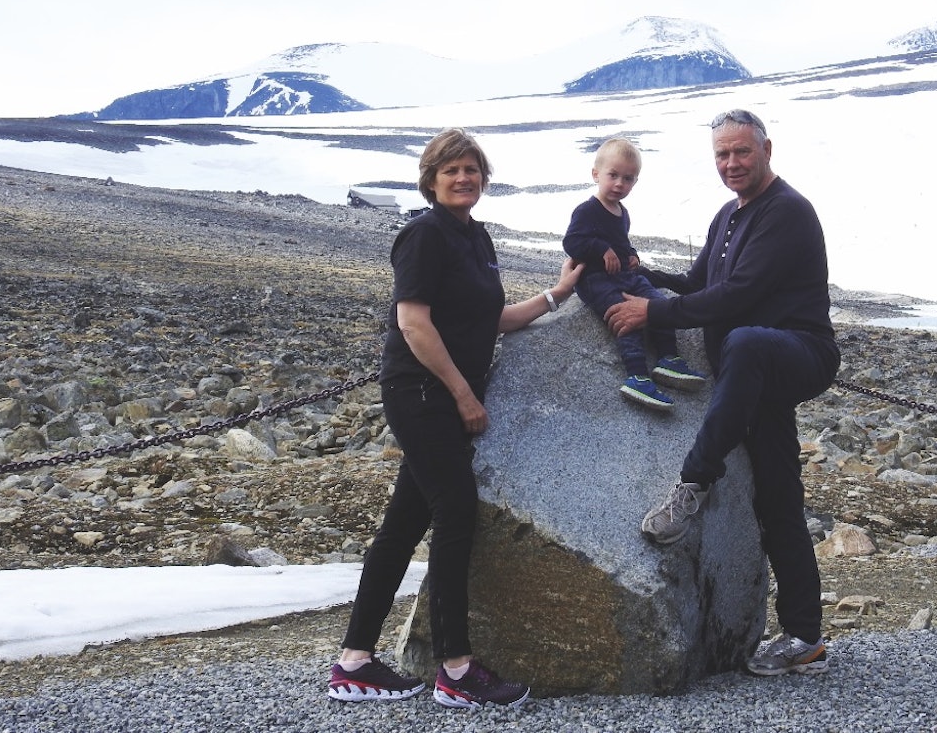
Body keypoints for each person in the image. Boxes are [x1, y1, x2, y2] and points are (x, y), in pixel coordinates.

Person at [327, 128, 583, 708]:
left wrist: (558, 293)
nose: (463, 178)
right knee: (455, 511)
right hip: (422, 392)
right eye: (452, 171)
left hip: (441, 393)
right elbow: (414, 323)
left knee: (402, 526)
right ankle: (457, 670)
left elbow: (494, 317)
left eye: (472, 169)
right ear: (431, 180)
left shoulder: (475, 237)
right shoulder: (423, 235)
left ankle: (354, 661)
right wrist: (464, 395)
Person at [604, 109, 841, 677]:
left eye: (741, 152)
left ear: (766, 150)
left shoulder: (788, 211)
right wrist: (637, 277)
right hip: (753, 374)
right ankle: (805, 635)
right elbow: (698, 286)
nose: (731, 164)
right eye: (722, 156)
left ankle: (693, 483)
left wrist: (651, 313)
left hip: (797, 353)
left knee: (746, 339)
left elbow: (738, 294)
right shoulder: (726, 216)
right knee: (777, 498)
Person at [563, 137, 706, 409]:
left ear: (635, 182)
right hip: (595, 280)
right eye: (613, 175)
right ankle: (637, 376)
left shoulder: (622, 212)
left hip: (622, 276)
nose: (619, 184)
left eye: (628, 179)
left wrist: (631, 255)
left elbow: (621, 240)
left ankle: (668, 360)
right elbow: (572, 242)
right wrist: (600, 249)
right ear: (596, 174)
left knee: (658, 304)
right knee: (625, 315)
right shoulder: (586, 210)